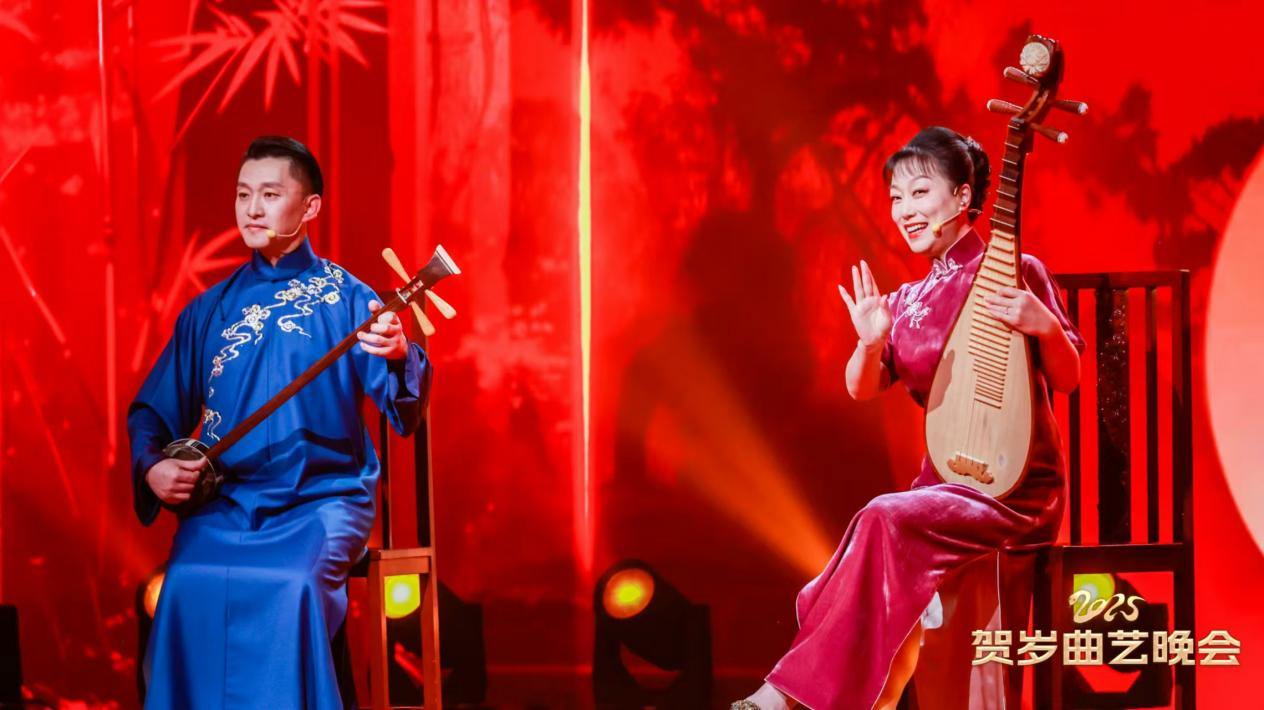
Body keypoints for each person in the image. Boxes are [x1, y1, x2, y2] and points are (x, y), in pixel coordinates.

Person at [734, 126, 1084, 710]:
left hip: (1015, 489)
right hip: (942, 487)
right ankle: (823, 695)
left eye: (920, 193)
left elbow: (1069, 379)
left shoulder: (1015, 270)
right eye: (896, 197)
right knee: (884, 522)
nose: (904, 210)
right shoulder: (907, 300)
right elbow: (861, 387)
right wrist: (870, 341)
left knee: (881, 517)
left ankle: (786, 696)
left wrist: (1044, 324)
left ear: (963, 197)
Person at [127, 135, 432, 708]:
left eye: (270, 194)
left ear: (310, 206)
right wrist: (153, 468)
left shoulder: (351, 300)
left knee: (292, 588)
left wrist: (398, 353)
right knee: (184, 587)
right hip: (225, 505)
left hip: (322, 499)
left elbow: (401, 405)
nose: (252, 209)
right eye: (243, 194)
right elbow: (153, 411)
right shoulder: (209, 310)